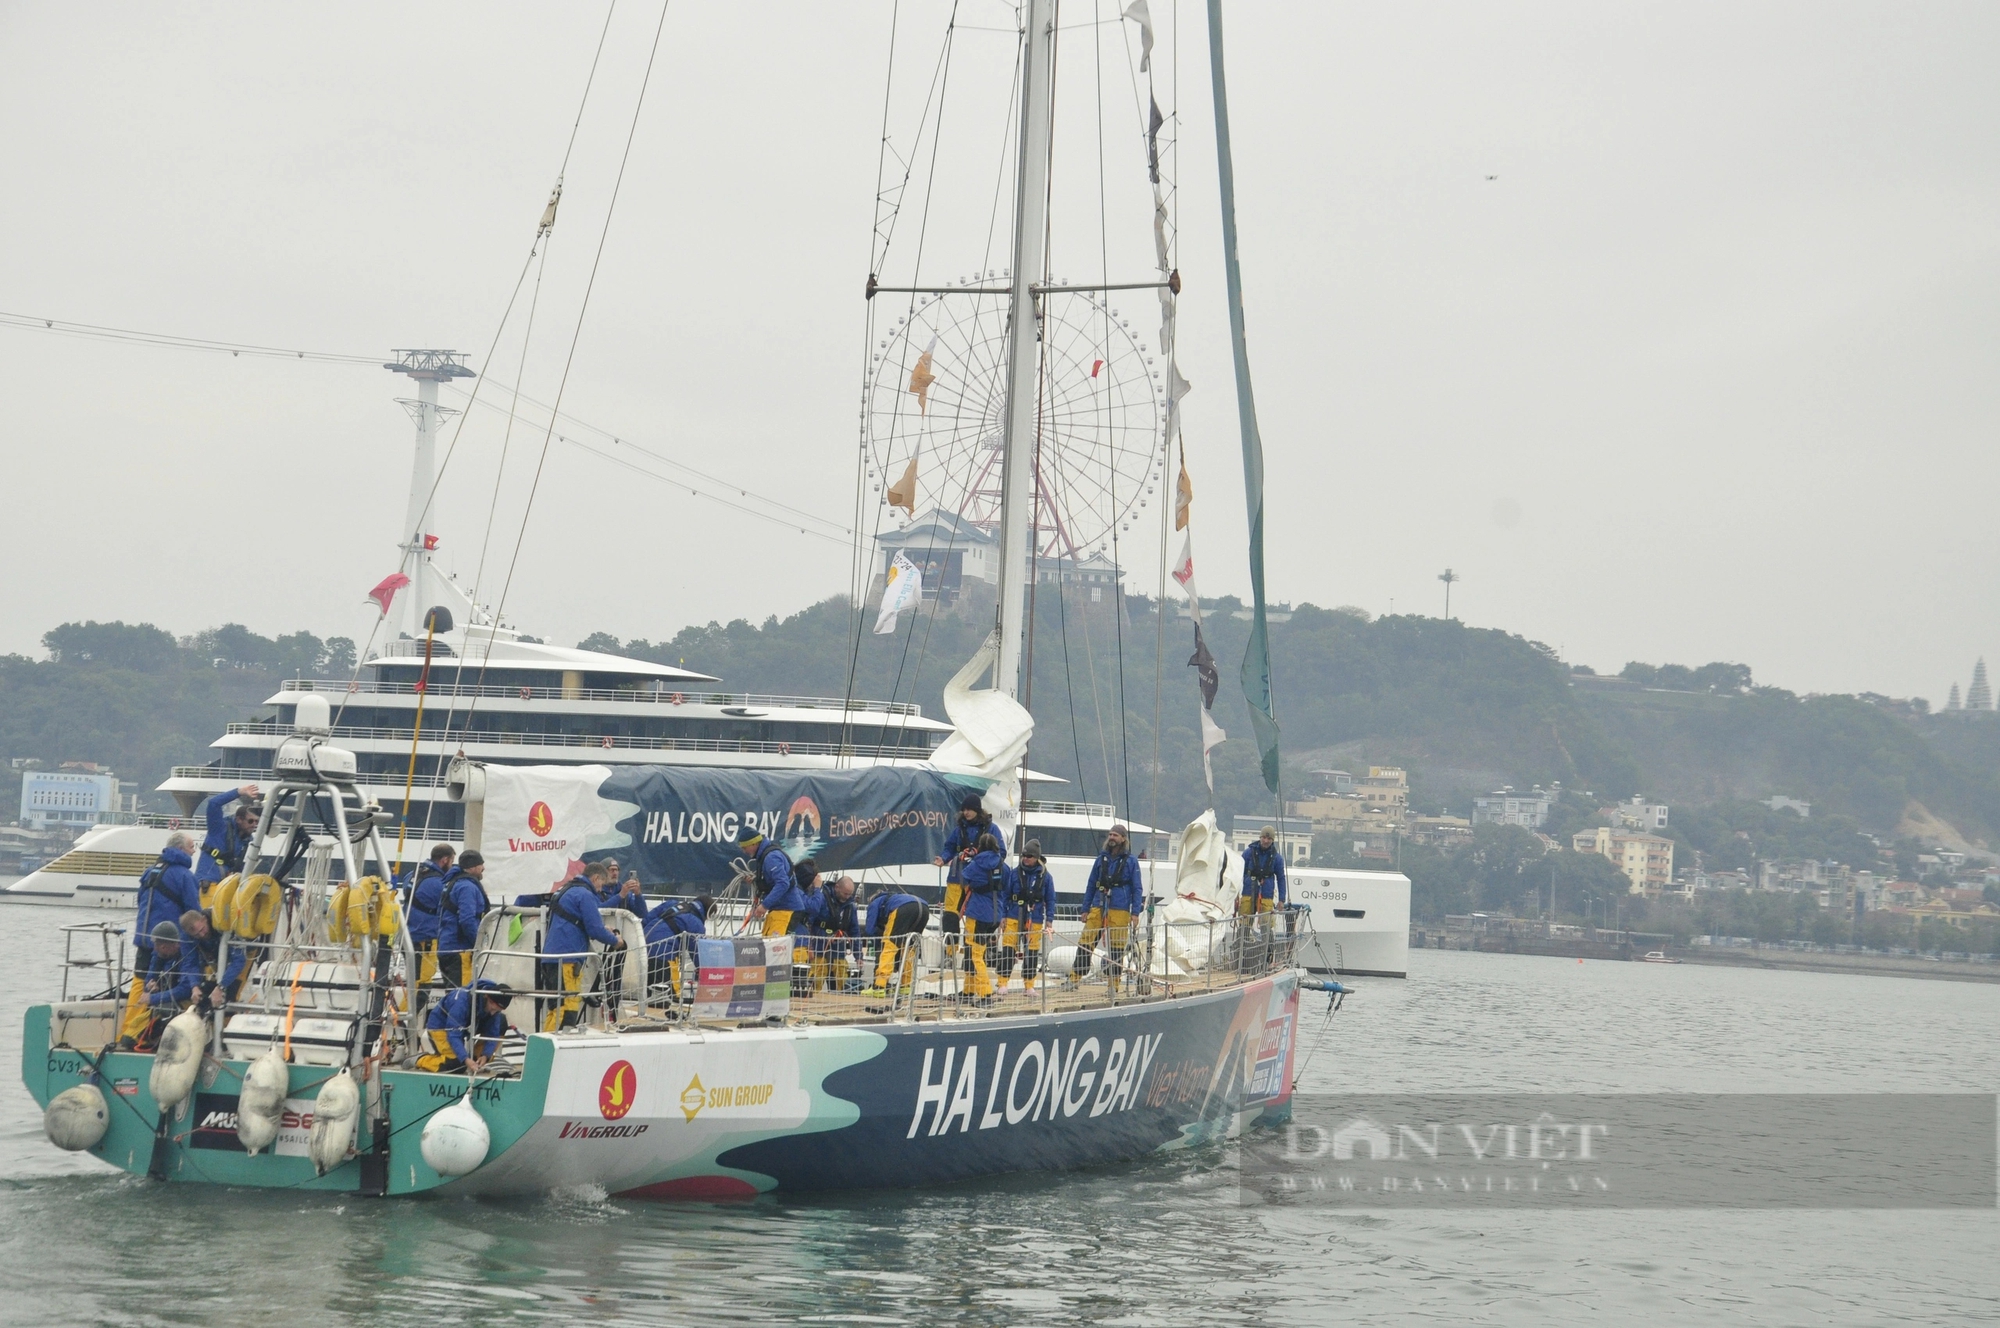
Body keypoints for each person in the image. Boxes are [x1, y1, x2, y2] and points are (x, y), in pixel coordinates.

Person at [120, 833, 203, 1046]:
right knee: (176, 981)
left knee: (140, 984)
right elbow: (193, 912)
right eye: (192, 847)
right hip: (169, 942)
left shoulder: (150, 871)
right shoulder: (184, 876)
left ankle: (127, 1033)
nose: (194, 851)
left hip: (144, 938)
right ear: (181, 849)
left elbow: (141, 900)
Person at [539, 861, 628, 1032]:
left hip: (552, 957)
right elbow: (594, 930)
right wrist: (615, 941)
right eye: (602, 883)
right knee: (565, 1007)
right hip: (567, 960)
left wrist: (604, 929)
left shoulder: (565, 890)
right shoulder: (585, 894)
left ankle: (551, 1044)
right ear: (595, 878)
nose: (601, 888)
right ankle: (553, 1048)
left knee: (558, 1008)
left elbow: (578, 922)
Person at [935, 794, 1004, 958]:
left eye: (969, 809)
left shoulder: (991, 829)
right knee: (950, 915)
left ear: (977, 810)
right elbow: (949, 847)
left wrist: (980, 856)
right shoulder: (959, 830)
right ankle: (950, 953)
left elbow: (1000, 852)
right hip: (956, 878)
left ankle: (972, 955)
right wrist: (944, 858)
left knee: (975, 918)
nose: (966, 813)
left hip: (978, 881)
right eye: (964, 810)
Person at [1074, 824, 1144, 984]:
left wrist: (1135, 913)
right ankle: (1074, 978)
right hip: (1098, 904)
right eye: (1110, 835)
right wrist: (1085, 908)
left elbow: (1137, 887)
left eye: (1116, 835)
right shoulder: (1101, 859)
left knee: (1117, 948)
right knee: (1086, 941)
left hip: (1120, 908)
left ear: (1123, 839)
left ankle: (1114, 984)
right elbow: (1091, 884)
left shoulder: (1131, 861)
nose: (1112, 838)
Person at [127, 922, 201, 1049]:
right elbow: (151, 974)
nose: (155, 949)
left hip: (181, 1005)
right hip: (162, 1006)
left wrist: (153, 998)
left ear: (170, 945)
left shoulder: (186, 957)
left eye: (159, 946)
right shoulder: (159, 953)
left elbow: (185, 989)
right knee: (128, 1040)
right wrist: (149, 986)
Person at [416, 980, 514, 1074]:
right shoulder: (461, 1002)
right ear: (487, 998)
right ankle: (420, 1060)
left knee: (502, 1021)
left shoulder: (493, 1006)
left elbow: (493, 1033)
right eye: (493, 1009)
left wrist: (485, 1055)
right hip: (442, 1027)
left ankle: (477, 1060)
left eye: (497, 1010)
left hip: (468, 1025)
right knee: (456, 1064)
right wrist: (465, 1059)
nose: (493, 1013)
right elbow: (454, 1035)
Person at [957, 833, 1007, 1003]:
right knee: (977, 952)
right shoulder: (1002, 864)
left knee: (975, 954)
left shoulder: (976, 864)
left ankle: (985, 993)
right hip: (995, 915)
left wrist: (966, 859)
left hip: (978, 913)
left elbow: (964, 877)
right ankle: (968, 990)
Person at [1001, 840, 1056, 993]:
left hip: (1035, 918)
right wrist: (1003, 916)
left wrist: (1049, 920)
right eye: (1023, 855)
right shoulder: (1014, 873)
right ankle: (1003, 983)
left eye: (1029, 856)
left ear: (1037, 857)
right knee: (1008, 949)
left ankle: (1029, 985)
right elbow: (1005, 895)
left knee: (1031, 952)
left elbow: (1050, 899)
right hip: (1013, 915)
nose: (1025, 858)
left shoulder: (1046, 877)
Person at [435, 850, 492, 988]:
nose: (483, 868)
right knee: (462, 994)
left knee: (453, 994)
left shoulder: (452, 883)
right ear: (472, 867)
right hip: (460, 950)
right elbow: (467, 919)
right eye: (480, 865)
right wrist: (478, 943)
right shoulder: (467, 887)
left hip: (447, 947)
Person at [404, 845, 458, 985]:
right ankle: (406, 1008)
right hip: (424, 940)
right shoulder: (438, 883)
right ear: (445, 860)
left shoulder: (411, 875)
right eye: (452, 861)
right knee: (421, 985)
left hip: (408, 937)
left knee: (414, 980)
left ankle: (404, 1007)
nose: (452, 865)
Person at [176, 908, 246, 1015]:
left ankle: (227, 1023)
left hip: (241, 954)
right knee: (206, 993)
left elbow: (239, 961)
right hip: (215, 957)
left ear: (204, 920)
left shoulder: (223, 923)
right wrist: (195, 986)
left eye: (202, 929)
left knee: (231, 993)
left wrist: (221, 987)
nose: (202, 935)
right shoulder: (187, 937)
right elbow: (190, 963)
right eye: (197, 935)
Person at [195, 783, 262, 895]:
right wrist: (239, 792)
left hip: (224, 888)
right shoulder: (218, 828)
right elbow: (213, 803)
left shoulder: (245, 841)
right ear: (239, 819)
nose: (254, 825)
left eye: (256, 822)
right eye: (250, 821)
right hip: (208, 885)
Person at [642, 895, 710, 1003]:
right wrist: (706, 973)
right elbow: (697, 953)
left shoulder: (671, 903)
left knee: (647, 994)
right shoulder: (696, 923)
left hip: (642, 949)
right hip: (664, 956)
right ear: (707, 913)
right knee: (671, 998)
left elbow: (646, 920)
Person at [863, 887, 929, 997]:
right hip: (924, 908)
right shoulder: (894, 897)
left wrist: (881, 938)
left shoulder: (875, 903)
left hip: (903, 909)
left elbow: (870, 930)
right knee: (909, 948)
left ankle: (879, 986)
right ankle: (905, 986)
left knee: (889, 945)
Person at [740, 829, 806, 937]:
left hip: (786, 910)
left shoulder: (771, 857)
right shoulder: (767, 856)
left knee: (775, 948)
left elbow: (783, 883)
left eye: (744, 847)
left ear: (754, 843)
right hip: (779, 909)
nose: (744, 851)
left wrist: (764, 905)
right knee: (770, 945)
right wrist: (757, 880)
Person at [805, 875, 861, 993]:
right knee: (816, 980)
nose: (847, 897)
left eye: (849, 894)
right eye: (845, 893)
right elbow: (809, 922)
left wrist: (858, 955)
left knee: (840, 979)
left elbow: (855, 931)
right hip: (818, 949)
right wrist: (810, 946)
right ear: (837, 887)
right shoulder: (822, 898)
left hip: (839, 951)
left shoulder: (850, 907)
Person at [1240, 825, 1288, 934]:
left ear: (1272, 840)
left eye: (1269, 839)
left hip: (1266, 894)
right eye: (1264, 838)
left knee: (1266, 925)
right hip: (1248, 892)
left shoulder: (1277, 858)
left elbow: (1281, 878)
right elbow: (1238, 872)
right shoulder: (1248, 853)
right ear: (1260, 837)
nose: (1265, 841)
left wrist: (1281, 900)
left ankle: (1268, 949)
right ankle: (1241, 947)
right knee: (1244, 924)